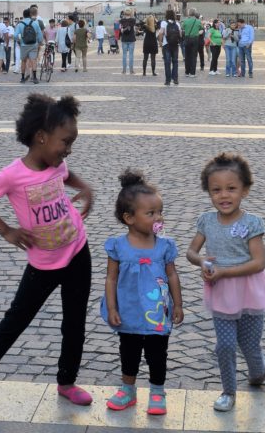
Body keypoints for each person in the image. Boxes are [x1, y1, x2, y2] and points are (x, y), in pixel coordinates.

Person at [0, 93, 94, 409]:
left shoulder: (57, 162)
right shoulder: (12, 175)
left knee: (74, 323)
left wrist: (83, 186)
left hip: (77, 252)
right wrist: (6, 230)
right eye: (65, 142)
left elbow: (66, 174)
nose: (68, 149)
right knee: (16, 320)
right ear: (41, 137)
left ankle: (67, 382)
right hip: (43, 264)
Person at [185, 152, 265, 413]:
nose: (224, 196)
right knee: (224, 344)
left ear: (245, 190)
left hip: (249, 290)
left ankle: (259, 369)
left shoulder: (252, 223)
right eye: (216, 190)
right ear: (209, 192)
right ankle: (228, 391)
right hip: (221, 291)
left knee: (249, 344)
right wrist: (201, 262)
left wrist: (225, 271)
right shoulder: (207, 221)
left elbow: (259, 263)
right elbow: (191, 252)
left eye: (231, 189)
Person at [101, 169, 183, 415]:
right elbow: (111, 278)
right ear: (129, 218)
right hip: (129, 311)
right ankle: (128, 390)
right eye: (151, 213)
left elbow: (172, 275)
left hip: (157, 312)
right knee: (129, 351)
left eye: (160, 211)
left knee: (158, 352)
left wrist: (178, 304)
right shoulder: (118, 246)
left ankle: (157, 391)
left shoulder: (164, 245)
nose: (158, 217)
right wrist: (112, 307)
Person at [16, 8, 43, 84]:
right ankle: (34, 77)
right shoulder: (35, 23)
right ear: (30, 15)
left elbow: (15, 36)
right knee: (33, 60)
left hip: (23, 45)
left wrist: (20, 41)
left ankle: (22, 78)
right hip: (33, 44)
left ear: (23, 15)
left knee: (23, 61)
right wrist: (40, 42)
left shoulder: (20, 24)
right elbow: (40, 35)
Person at [160, 9, 180, 87]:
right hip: (175, 45)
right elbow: (180, 34)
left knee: (167, 62)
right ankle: (175, 79)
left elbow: (161, 33)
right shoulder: (177, 24)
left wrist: (160, 42)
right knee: (175, 62)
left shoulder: (164, 23)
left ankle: (168, 80)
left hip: (166, 44)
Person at [181, 9, 203, 77]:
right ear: (195, 13)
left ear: (189, 13)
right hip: (195, 39)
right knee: (194, 56)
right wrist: (197, 33)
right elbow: (201, 30)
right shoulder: (198, 21)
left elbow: (182, 28)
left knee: (187, 56)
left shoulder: (185, 21)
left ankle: (187, 72)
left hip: (187, 38)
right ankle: (192, 73)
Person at [119, 8, 137, 75]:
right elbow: (134, 29)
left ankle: (124, 70)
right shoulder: (133, 20)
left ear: (124, 13)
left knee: (124, 55)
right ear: (130, 13)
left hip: (124, 39)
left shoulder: (122, 20)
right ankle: (131, 70)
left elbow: (121, 30)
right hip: (131, 38)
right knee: (131, 55)